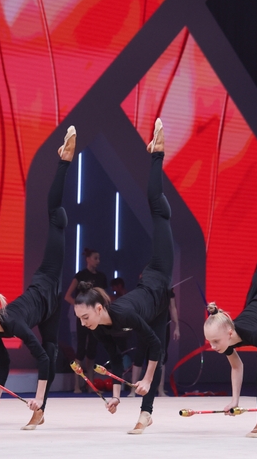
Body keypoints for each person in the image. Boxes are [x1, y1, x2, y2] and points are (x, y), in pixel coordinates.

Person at [0, 126, 76, 430]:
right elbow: (4, 362)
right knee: (51, 349)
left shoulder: (13, 323)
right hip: (49, 307)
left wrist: (37, 397)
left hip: (48, 280)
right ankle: (40, 412)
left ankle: (64, 161)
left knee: (55, 216)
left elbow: (40, 359)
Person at [73, 118, 173, 434]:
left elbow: (155, 346)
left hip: (158, 276)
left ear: (99, 308)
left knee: (158, 211)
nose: (83, 323)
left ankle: (157, 153)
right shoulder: (100, 327)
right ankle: (146, 415)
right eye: (80, 319)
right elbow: (116, 361)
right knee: (151, 354)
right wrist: (115, 395)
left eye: (85, 317)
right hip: (154, 304)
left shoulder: (123, 314)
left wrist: (145, 378)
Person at [202, 120, 257, 438]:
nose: (213, 347)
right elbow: (237, 366)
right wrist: (235, 401)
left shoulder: (245, 333)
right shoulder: (228, 340)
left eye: (215, 341)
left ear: (228, 332)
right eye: (212, 343)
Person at [64, 248, 108, 392]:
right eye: (95, 258)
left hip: (96, 318)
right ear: (88, 259)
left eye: (99, 258)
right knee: (81, 349)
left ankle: (91, 385)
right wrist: (81, 308)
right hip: (83, 318)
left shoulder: (101, 277)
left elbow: (104, 298)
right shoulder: (81, 276)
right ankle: (77, 385)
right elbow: (68, 296)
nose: (98, 261)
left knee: (92, 350)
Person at [128, 287, 179, 398]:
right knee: (139, 355)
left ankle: (160, 390)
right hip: (145, 323)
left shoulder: (167, 288)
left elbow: (173, 307)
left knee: (161, 355)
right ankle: (133, 390)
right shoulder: (144, 287)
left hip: (162, 325)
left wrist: (177, 327)